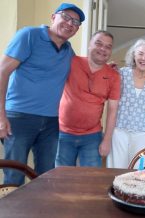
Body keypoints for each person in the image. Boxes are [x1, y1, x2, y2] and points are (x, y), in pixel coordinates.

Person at [0, 3, 84, 185]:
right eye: (66, 17)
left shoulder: (68, 51)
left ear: (77, 30)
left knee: (46, 177)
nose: (70, 23)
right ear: (54, 17)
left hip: (51, 123)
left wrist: (106, 67)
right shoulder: (29, 35)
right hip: (19, 118)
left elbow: (85, 69)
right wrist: (1, 116)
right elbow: (2, 72)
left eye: (76, 22)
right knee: (14, 175)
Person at [55, 30, 120, 168]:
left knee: (91, 180)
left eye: (108, 47)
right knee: (61, 179)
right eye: (99, 43)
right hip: (63, 134)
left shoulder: (113, 76)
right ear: (89, 45)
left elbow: (113, 110)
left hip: (92, 137)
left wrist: (107, 140)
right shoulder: (71, 62)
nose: (103, 49)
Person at [107, 39, 145, 168]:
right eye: (140, 54)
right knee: (116, 168)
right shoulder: (121, 73)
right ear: (133, 55)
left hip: (143, 132)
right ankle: (116, 189)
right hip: (119, 130)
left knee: (138, 170)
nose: (144, 58)